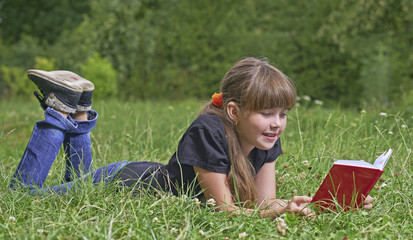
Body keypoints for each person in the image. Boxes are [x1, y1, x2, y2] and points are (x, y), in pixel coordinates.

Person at [10, 57, 372, 218]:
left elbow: (262, 205)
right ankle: (59, 114)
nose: (277, 123)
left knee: (75, 188)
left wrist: (305, 205)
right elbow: (226, 211)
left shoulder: (265, 140)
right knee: (23, 197)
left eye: (283, 114)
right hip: (124, 182)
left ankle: (79, 109)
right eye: (266, 113)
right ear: (234, 111)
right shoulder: (209, 131)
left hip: (125, 179)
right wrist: (274, 213)